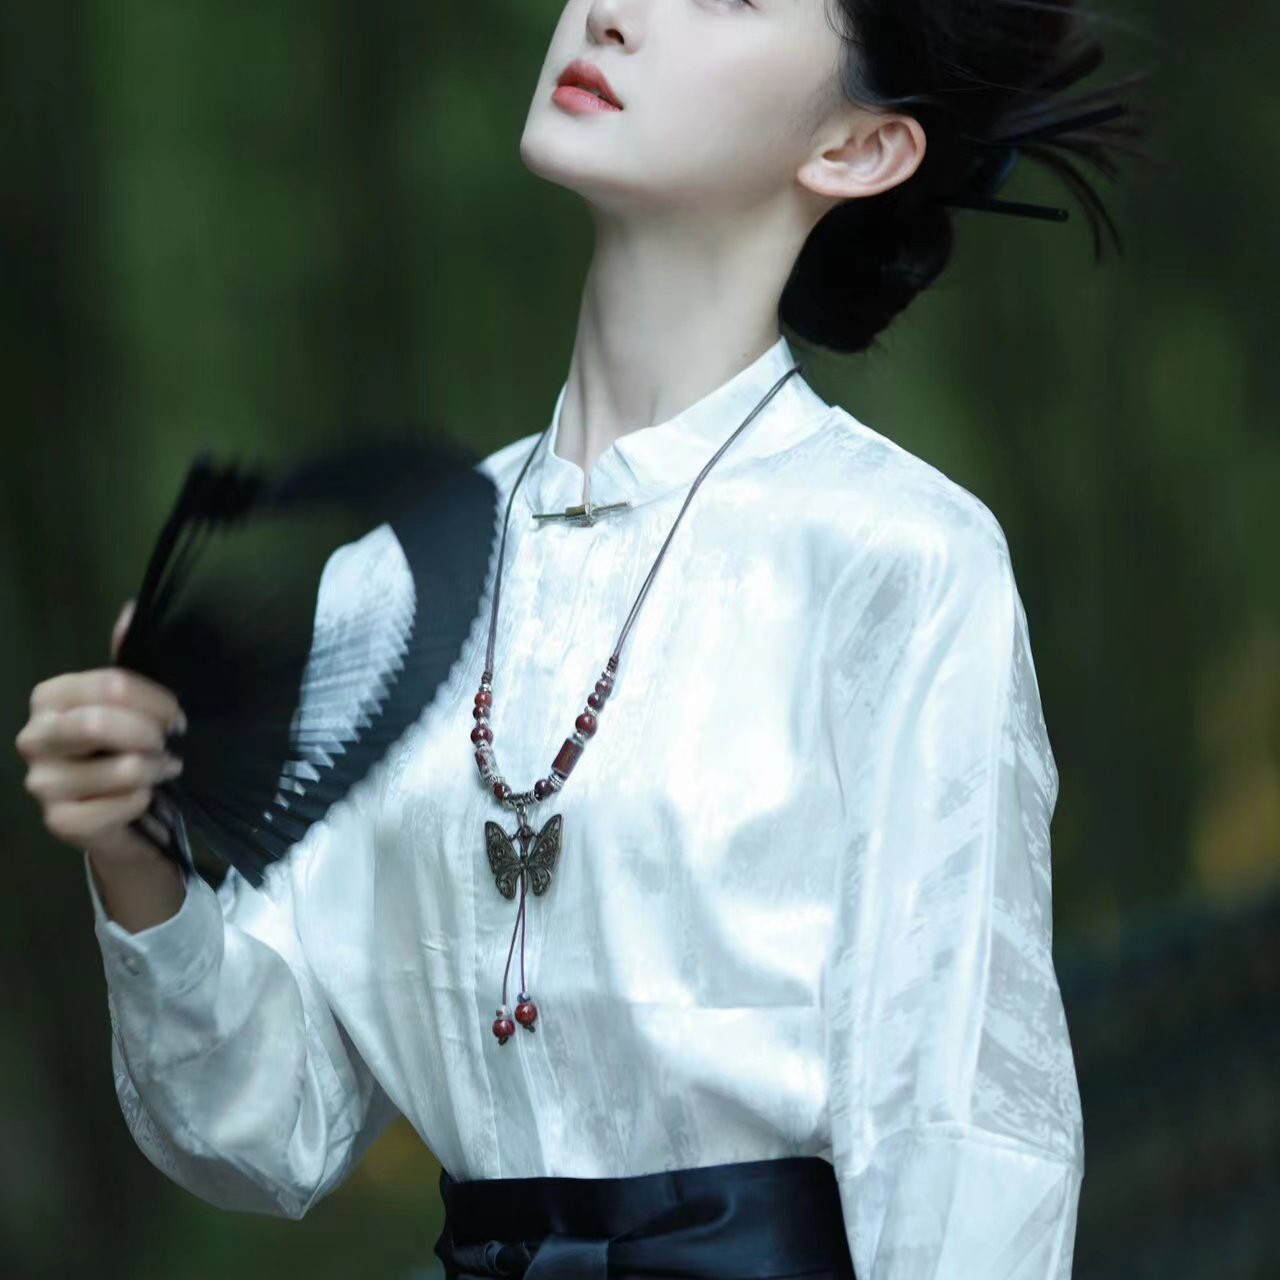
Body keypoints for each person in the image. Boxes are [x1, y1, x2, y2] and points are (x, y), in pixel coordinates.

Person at [16, 0, 1147, 1275]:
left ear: (854, 147)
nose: (610, 11)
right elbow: (269, 1120)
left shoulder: (896, 561)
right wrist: (136, 841)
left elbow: (960, 1139)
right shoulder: (387, 590)